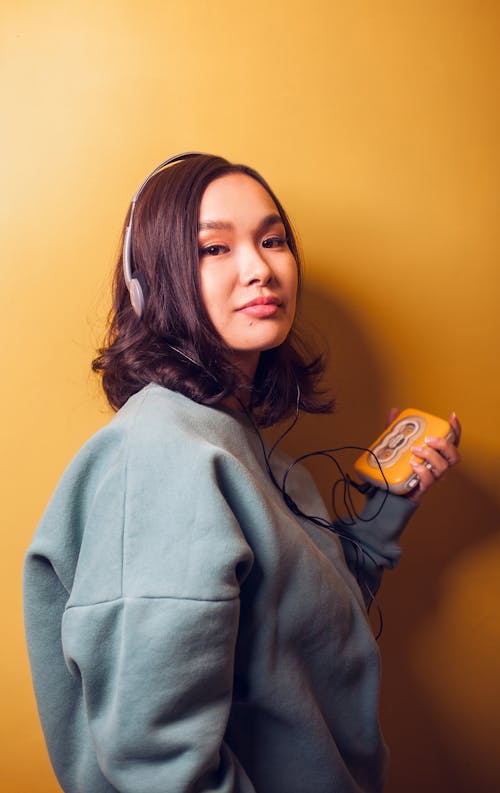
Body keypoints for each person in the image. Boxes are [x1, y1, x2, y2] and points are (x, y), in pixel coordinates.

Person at [23, 152, 461, 793]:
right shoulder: (163, 456)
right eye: (214, 249)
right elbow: (159, 767)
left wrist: (389, 504)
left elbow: (306, 631)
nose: (260, 269)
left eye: (273, 240)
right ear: (153, 284)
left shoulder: (252, 455)